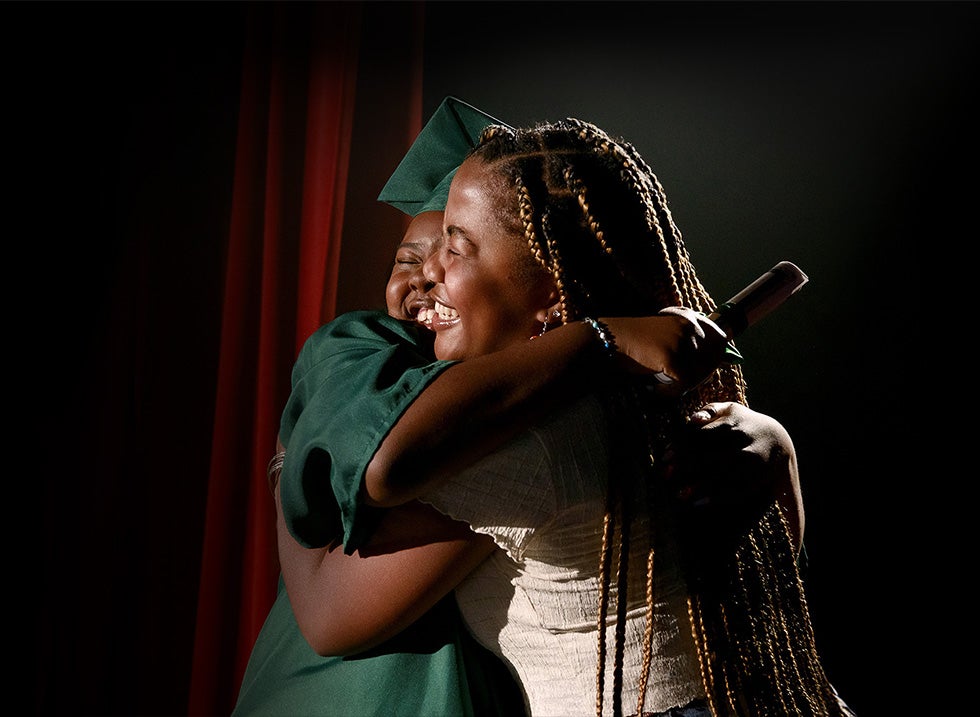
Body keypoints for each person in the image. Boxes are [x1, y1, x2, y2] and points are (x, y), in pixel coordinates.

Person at [283, 117, 853, 716]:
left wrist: (289, 447)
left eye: (455, 245)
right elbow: (781, 558)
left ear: (552, 294)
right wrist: (777, 441)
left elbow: (333, 606)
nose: (431, 273)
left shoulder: (528, 433)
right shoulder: (672, 407)